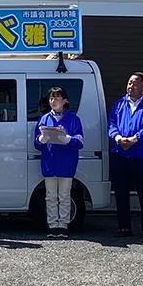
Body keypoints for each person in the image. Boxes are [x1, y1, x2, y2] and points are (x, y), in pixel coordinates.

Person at [108, 71, 143, 238]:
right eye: (129, 82)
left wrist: (134, 138)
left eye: (135, 83)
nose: (131, 86)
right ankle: (124, 226)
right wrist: (118, 138)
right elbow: (111, 124)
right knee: (121, 193)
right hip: (119, 154)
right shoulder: (119, 104)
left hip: (141, 156)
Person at [34, 85, 84, 237]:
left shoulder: (74, 119)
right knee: (50, 196)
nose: (53, 101)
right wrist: (42, 139)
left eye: (56, 98)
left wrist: (67, 139)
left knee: (64, 195)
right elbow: (37, 144)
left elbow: (80, 142)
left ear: (65, 101)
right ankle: (52, 225)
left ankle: (63, 225)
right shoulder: (44, 119)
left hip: (66, 163)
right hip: (49, 163)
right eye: (51, 98)